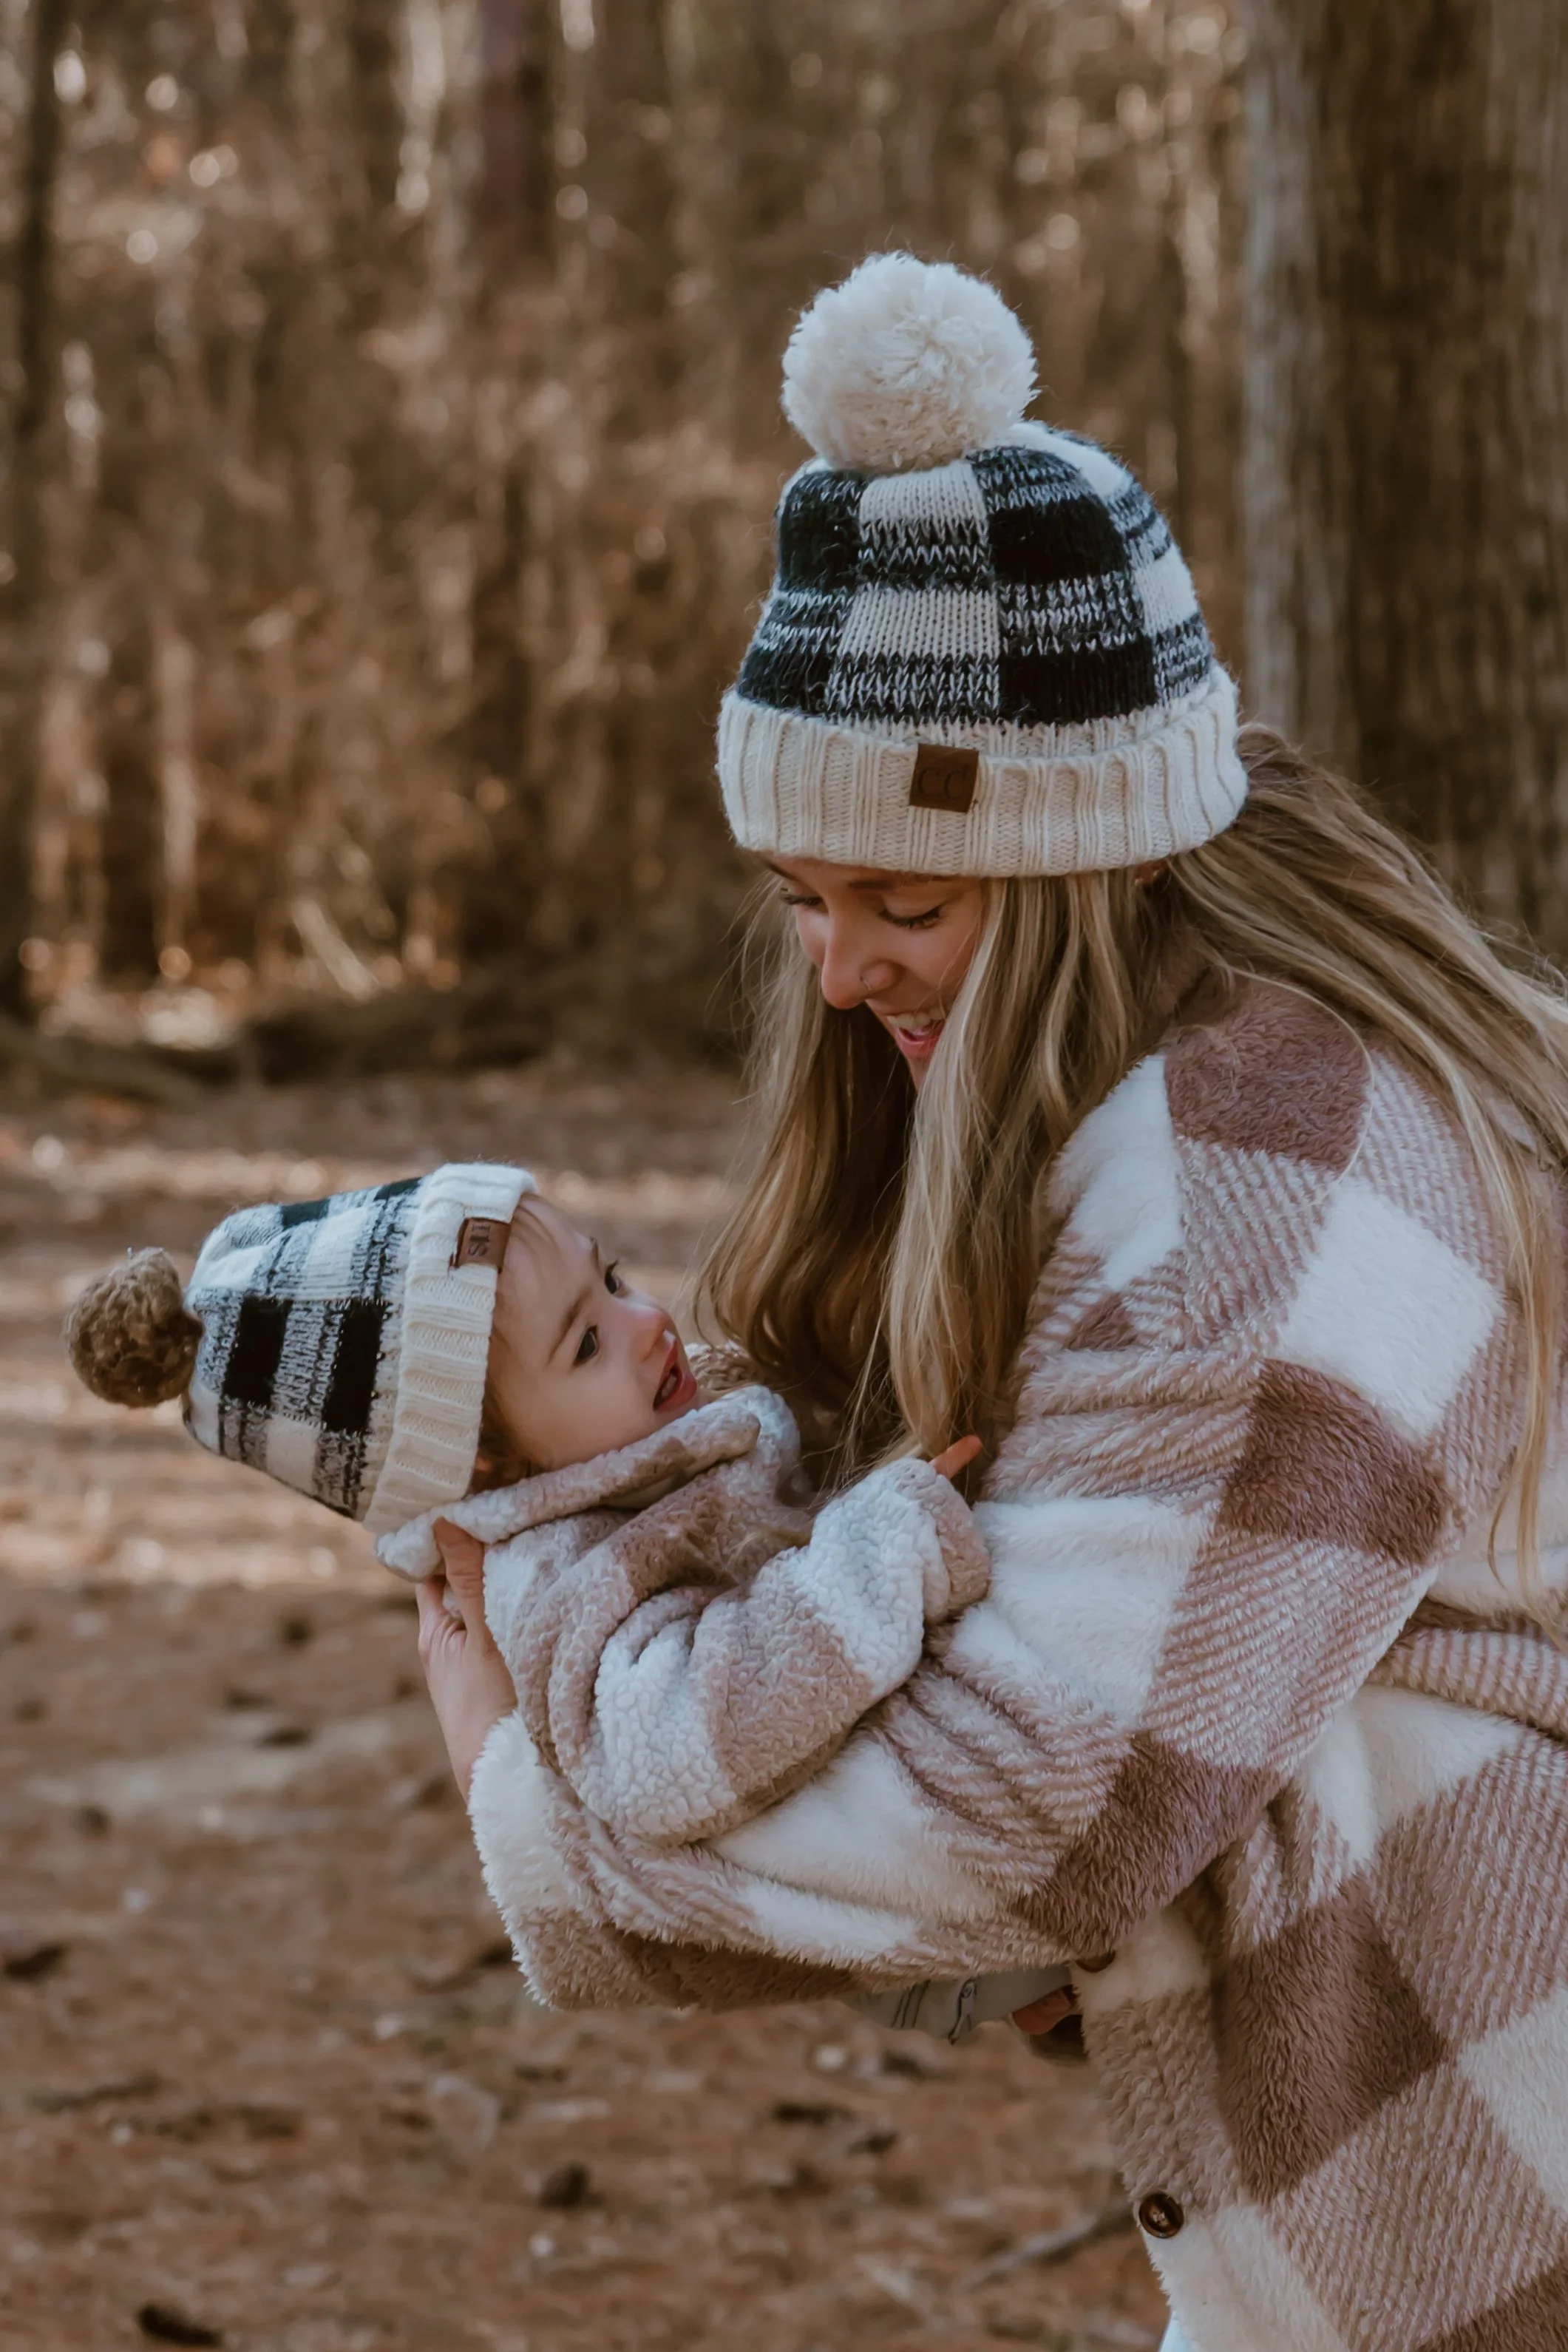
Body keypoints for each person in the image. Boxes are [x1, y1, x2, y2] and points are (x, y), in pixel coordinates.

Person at [416, 252, 1568, 2352]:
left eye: (908, 898)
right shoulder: (1151, 1087)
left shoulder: (1260, 1184)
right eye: (804, 898)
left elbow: (1039, 1822)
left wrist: (533, 1796)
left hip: (1500, 2161)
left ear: (1086, 862)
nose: (842, 965)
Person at [62, 1159, 1067, 2041]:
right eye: (585, 1343)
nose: (647, 1323)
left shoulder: (633, 1455)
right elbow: (675, 1751)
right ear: (486, 1465)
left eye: (614, 1280)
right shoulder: (560, 1577)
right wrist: (881, 1551)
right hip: (909, 1902)